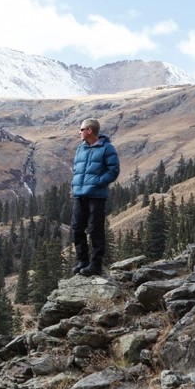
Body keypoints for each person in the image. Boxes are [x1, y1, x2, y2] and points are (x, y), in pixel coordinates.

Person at [70, 118, 120, 276]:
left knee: (95, 230)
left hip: (96, 196)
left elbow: (114, 171)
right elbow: (77, 169)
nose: (80, 132)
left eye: (81, 129)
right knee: (77, 228)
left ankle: (95, 265)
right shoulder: (80, 148)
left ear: (89, 131)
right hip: (79, 195)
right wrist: (75, 185)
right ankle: (82, 262)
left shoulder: (107, 148)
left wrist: (98, 182)